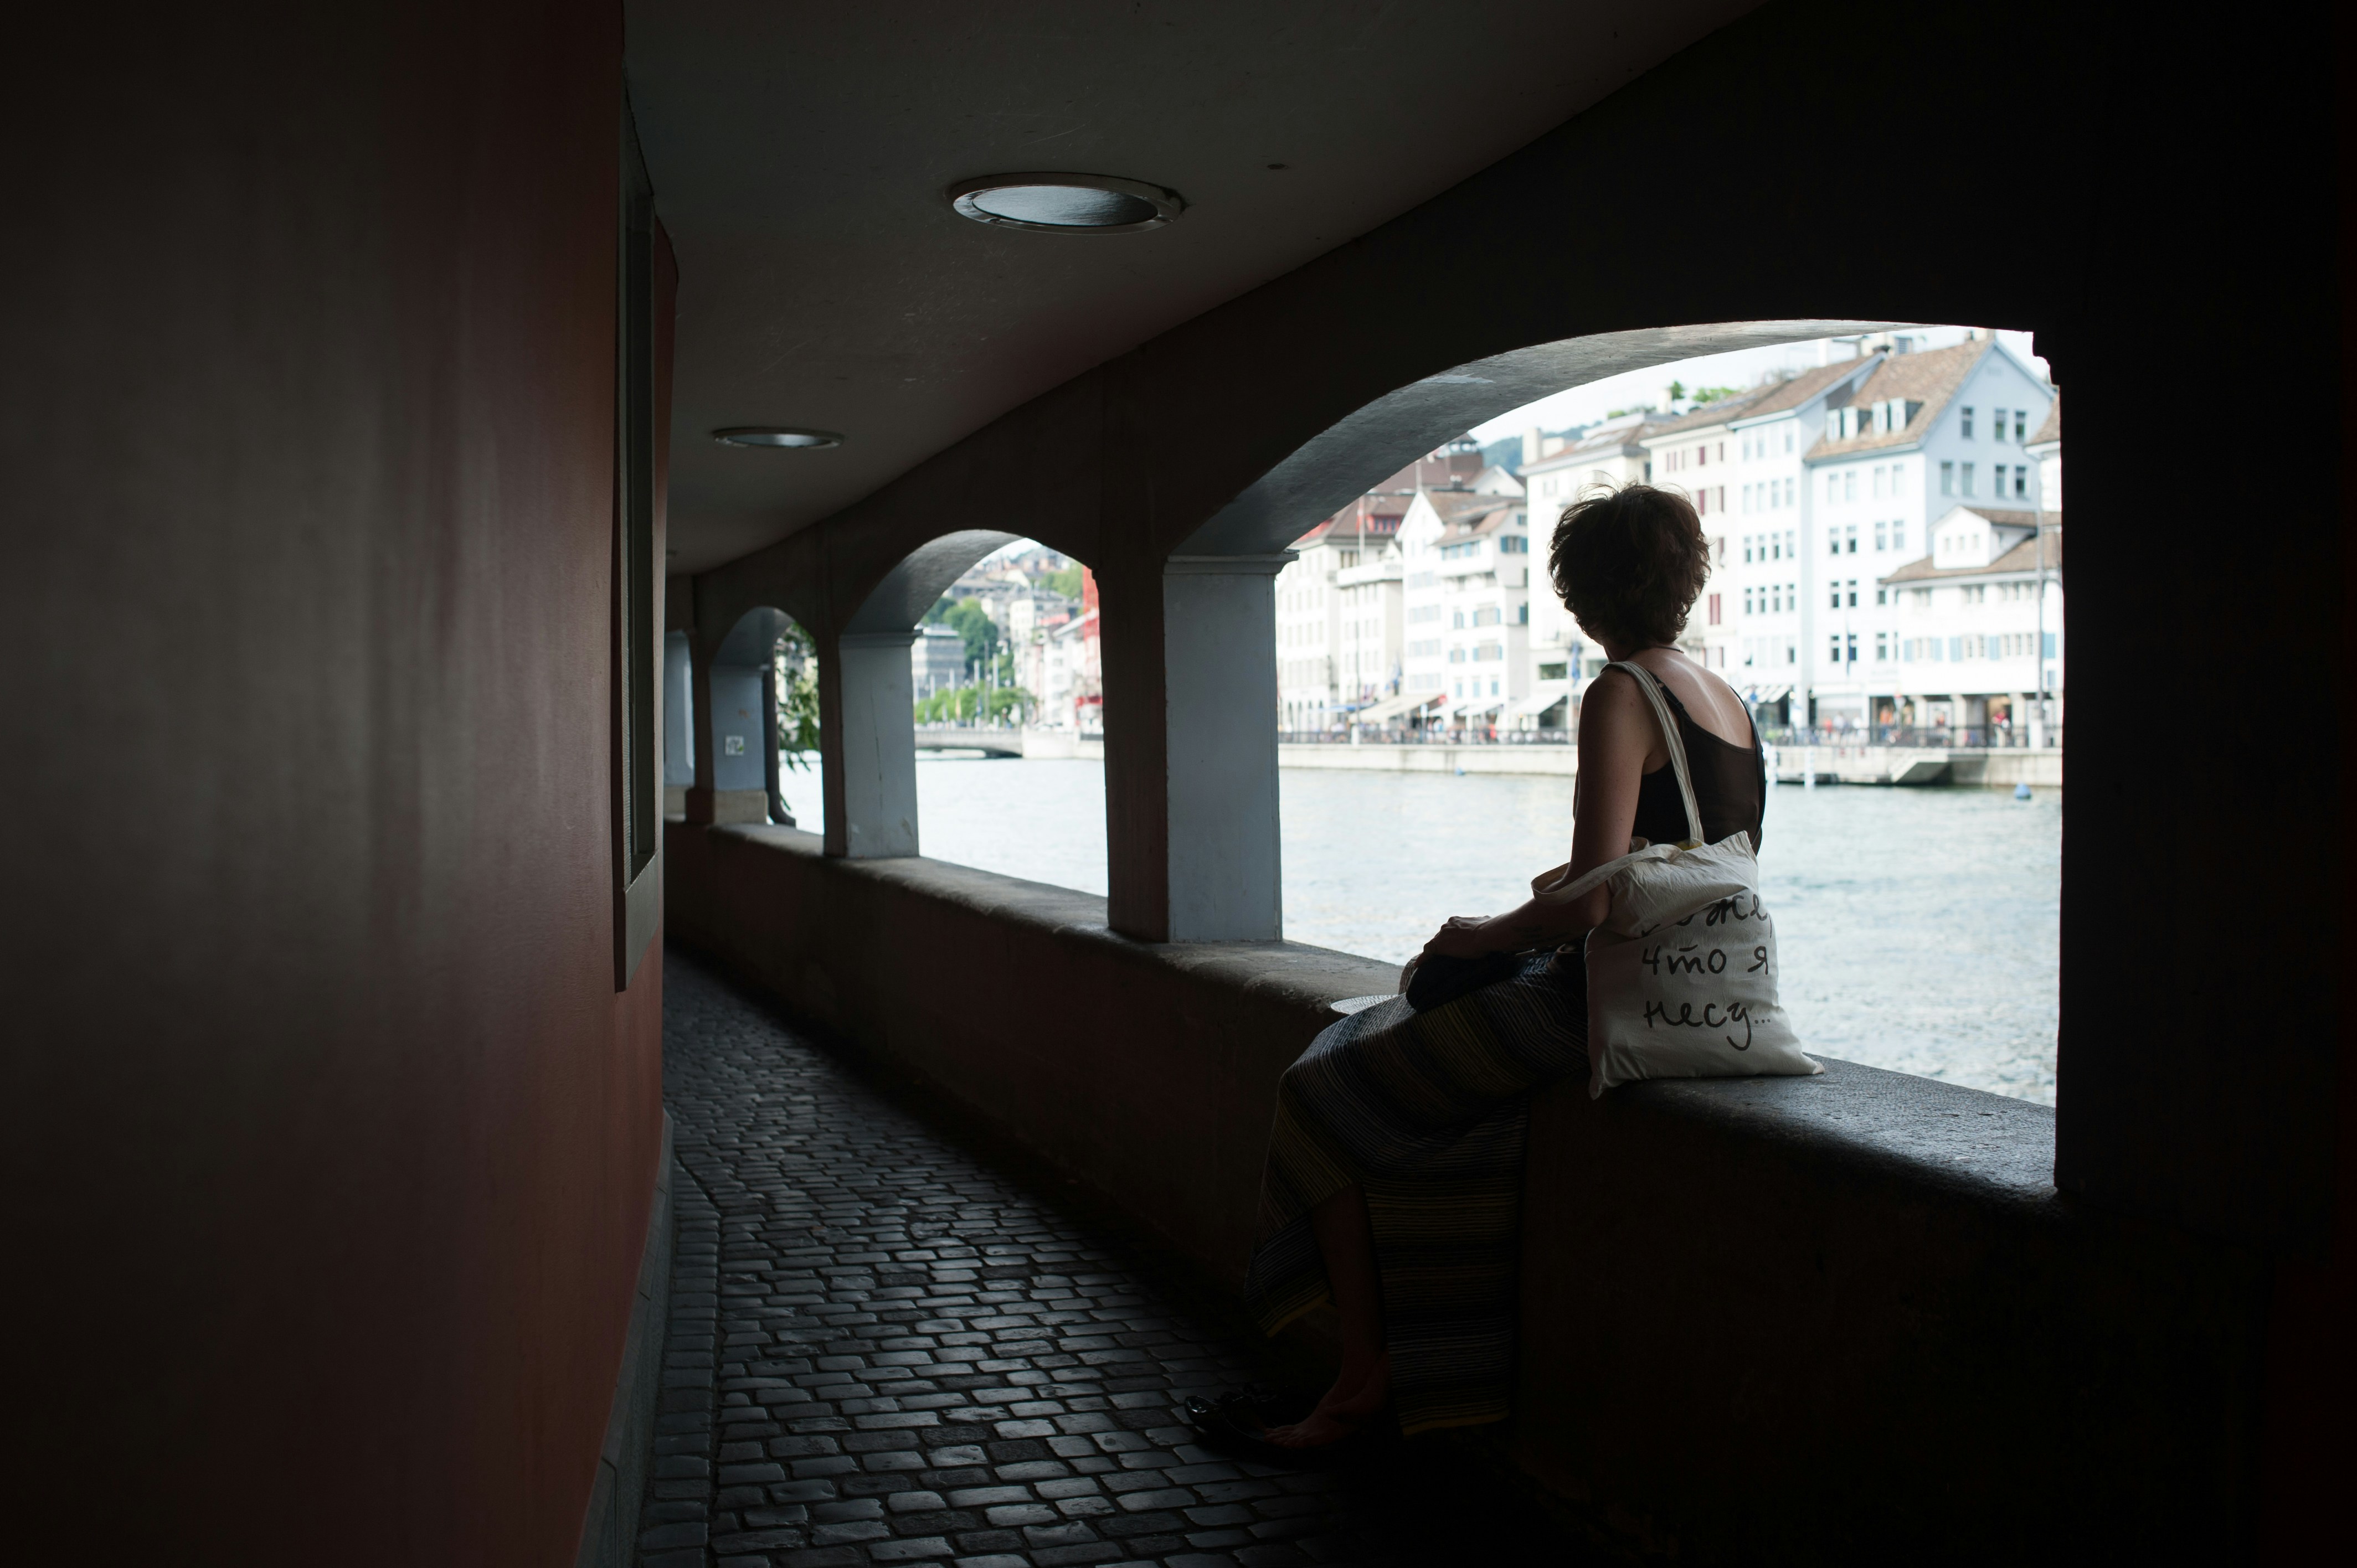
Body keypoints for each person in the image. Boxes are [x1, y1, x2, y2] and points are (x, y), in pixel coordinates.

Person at [1236, 484, 1766, 1451]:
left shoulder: (1619, 693)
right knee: (1455, 1130)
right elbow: (1676, 861)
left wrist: (1481, 935)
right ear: (1685, 582)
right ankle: (1438, 1383)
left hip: (1596, 1001)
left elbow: (1595, 898)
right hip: (1709, 999)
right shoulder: (1724, 698)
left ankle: (1362, 1378)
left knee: (1320, 1087)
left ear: (1583, 595)